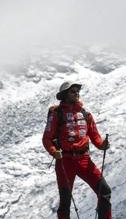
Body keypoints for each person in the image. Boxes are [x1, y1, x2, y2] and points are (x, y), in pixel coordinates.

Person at [42, 81, 112, 219]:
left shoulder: (85, 114)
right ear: (64, 95)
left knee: (104, 190)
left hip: (84, 159)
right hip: (65, 161)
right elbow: (47, 138)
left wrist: (102, 145)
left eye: (77, 91)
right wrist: (53, 151)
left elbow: (95, 137)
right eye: (72, 91)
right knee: (65, 201)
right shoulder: (56, 113)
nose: (76, 93)